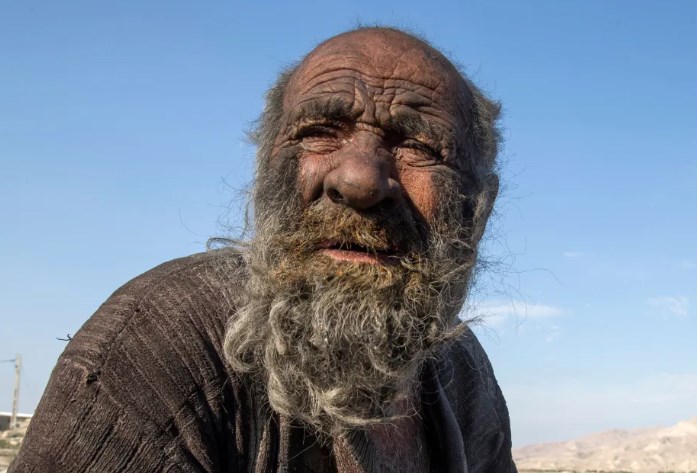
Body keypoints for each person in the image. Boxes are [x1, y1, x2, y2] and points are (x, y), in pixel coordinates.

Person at [10, 27, 516, 473]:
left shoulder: (461, 368)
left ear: (477, 209)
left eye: (418, 146)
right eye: (319, 133)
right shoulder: (156, 348)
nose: (359, 180)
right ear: (267, 173)